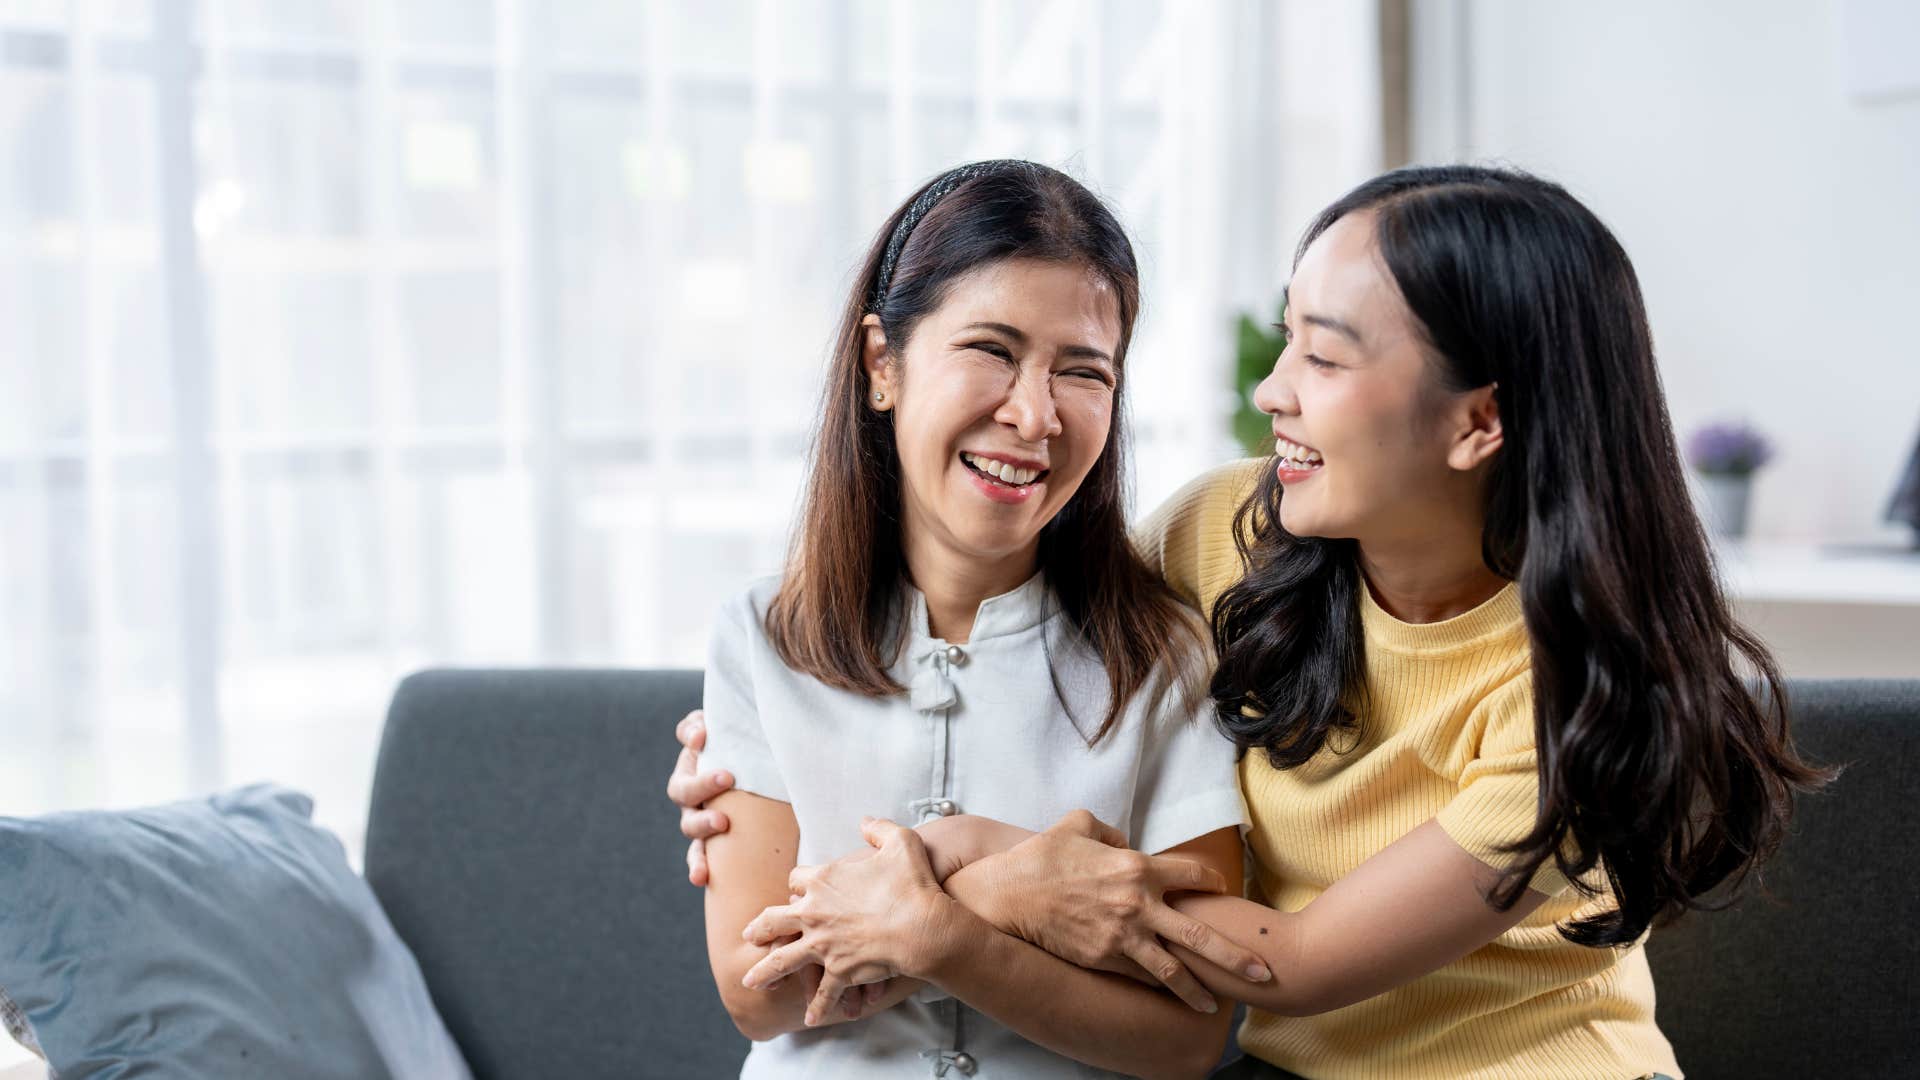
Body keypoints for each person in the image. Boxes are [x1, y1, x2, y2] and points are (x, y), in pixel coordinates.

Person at [678, 164, 1829, 1079]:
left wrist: (971, 885)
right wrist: (735, 743)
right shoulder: (1229, 532)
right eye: (1289, 338)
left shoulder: (1582, 698)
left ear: (1478, 423)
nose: (1273, 389)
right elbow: (1025, 634)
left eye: (1323, 355)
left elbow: (1289, 967)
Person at [694, 158, 1261, 1080]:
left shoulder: (1166, 654)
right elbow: (759, 990)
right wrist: (1016, 894)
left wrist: (945, 927)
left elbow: (1187, 1035)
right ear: (883, 363)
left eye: (1083, 372)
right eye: (992, 351)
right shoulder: (762, 635)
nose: (1034, 415)